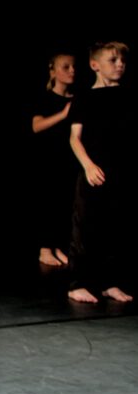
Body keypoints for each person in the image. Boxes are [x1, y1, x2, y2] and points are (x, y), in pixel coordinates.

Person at [67, 41, 132, 303]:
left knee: (115, 226)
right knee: (85, 226)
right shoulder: (85, 97)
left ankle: (109, 282)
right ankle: (78, 283)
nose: (120, 65)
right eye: (113, 60)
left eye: (122, 61)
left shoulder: (127, 96)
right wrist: (88, 165)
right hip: (93, 170)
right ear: (95, 65)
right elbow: (74, 138)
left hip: (120, 169)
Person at [31, 53, 76, 268]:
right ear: (53, 71)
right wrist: (63, 114)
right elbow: (36, 126)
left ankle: (58, 246)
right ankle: (45, 249)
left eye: (73, 67)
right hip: (48, 159)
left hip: (69, 158)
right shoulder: (45, 97)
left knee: (65, 203)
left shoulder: (76, 98)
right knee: (48, 202)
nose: (72, 71)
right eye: (66, 67)